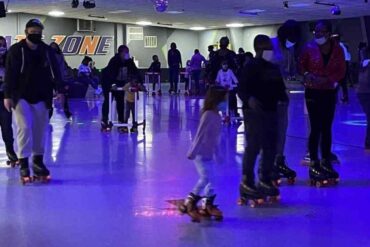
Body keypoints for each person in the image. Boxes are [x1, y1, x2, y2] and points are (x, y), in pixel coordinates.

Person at [4, 19, 62, 183]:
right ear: (26, 31)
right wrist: (7, 95)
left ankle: (37, 161)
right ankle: (23, 162)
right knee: (24, 127)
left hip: (42, 96)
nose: (35, 35)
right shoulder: (16, 50)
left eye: (38, 32)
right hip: (20, 95)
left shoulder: (46, 51)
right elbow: (9, 74)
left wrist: (60, 89)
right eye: (32, 32)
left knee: (39, 128)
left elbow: (56, 71)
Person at [238, 34, 287, 206]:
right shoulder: (250, 67)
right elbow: (241, 89)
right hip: (254, 113)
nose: (270, 51)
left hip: (271, 111)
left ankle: (265, 178)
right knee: (253, 146)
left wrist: (283, 98)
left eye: (270, 48)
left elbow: (280, 89)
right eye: (266, 47)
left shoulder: (273, 68)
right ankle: (247, 180)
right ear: (258, 48)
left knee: (270, 146)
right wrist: (249, 99)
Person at [299, 20, 346, 186]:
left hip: (329, 91)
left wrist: (329, 80)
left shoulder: (337, 49)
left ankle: (326, 160)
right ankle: (314, 161)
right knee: (316, 127)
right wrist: (307, 75)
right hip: (313, 90)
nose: (318, 35)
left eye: (321, 32)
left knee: (326, 127)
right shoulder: (309, 48)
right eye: (316, 32)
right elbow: (301, 65)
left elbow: (341, 70)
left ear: (328, 33)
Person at [180, 86, 226, 222]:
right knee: (206, 178)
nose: (225, 103)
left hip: (209, 154)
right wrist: (193, 152)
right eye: (224, 100)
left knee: (213, 179)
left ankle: (207, 204)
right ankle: (190, 200)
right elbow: (200, 135)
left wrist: (218, 154)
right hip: (200, 154)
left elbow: (215, 138)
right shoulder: (208, 115)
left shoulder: (217, 116)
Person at [270, 19, 301, 184]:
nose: (293, 41)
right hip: (268, 96)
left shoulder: (290, 47)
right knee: (271, 130)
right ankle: (269, 164)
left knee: (282, 128)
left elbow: (290, 70)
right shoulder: (271, 44)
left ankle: (279, 160)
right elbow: (263, 67)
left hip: (282, 95)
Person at [101, 45, 141, 132]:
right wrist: (112, 84)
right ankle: (104, 121)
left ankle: (121, 123)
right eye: (126, 52)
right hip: (108, 83)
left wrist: (140, 83)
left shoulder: (129, 61)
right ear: (121, 53)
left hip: (121, 84)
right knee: (108, 101)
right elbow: (109, 74)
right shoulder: (114, 61)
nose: (127, 54)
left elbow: (136, 72)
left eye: (128, 52)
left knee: (120, 103)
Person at [0, 36, 18, 166]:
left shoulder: (10, 60)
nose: (1, 48)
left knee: (7, 128)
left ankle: (12, 155)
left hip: (4, 98)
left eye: (3, 45)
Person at [50, 42, 73, 119]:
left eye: (55, 46)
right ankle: (49, 113)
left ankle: (66, 112)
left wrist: (66, 77)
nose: (54, 48)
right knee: (50, 96)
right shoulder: (48, 56)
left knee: (63, 95)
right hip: (50, 78)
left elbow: (64, 67)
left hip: (60, 78)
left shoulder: (60, 56)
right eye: (52, 47)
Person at [357, 45, 370, 150]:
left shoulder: (363, 63)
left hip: (362, 93)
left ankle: (368, 141)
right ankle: (368, 142)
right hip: (367, 92)